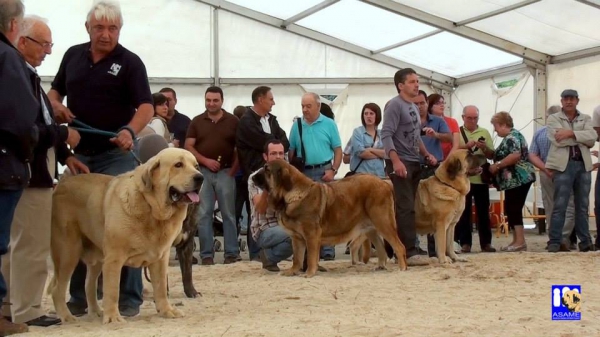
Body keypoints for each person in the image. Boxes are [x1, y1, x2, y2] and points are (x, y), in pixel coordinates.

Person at [47, 0, 154, 317]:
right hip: (79, 156)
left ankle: (129, 298)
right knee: (78, 226)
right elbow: (54, 92)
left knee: (128, 225)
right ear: (87, 29)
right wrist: (54, 106)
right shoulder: (72, 55)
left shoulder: (131, 62)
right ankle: (79, 297)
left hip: (116, 156)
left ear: (120, 30)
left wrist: (130, 131)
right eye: (99, 28)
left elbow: (146, 106)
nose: (105, 34)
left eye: (112, 28)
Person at [0, 15, 88, 328]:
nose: (48, 51)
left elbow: (42, 123)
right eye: (44, 44)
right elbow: (30, 128)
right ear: (22, 41)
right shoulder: (18, 77)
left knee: (14, 243)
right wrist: (64, 136)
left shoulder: (28, 76)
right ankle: (29, 309)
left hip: (25, 169)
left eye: (50, 44)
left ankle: (11, 306)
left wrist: (65, 155)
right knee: (32, 244)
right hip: (30, 172)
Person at [0, 0, 40, 334]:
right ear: (15, 27)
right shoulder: (8, 58)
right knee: (5, 243)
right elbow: (22, 119)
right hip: (6, 165)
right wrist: (29, 149)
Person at [381, 68, 437, 266]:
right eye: (412, 81)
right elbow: (386, 135)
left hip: (414, 160)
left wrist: (426, 154)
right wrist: (395, 161)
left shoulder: (413, 106)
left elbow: (415, 136)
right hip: (400, 161)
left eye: (417, 81)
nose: (416, 85)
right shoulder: (394, 106)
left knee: (409, 206)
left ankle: (398, 249)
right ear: (401, 85)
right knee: (405, 207)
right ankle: (409, 252)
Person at [185, 86, 240, 265]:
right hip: (202, 172)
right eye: (208, 100)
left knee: (229, 214)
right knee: (203, 213)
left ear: (222, 101)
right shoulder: (196, 121)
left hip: (226, 172)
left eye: (215, 100)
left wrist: (232, 170)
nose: (211, 103)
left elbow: (239, 148)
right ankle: (206, 254)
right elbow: (188, 146)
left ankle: (231, 253)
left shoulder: (233, 121)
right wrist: (205, 161)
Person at [236, 86, 290, 261]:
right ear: (260, 100)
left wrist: (274, 142)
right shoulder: (246, 121)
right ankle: (255, 256)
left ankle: (271, 256)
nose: (273, 102)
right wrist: (273, 141)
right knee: (256, 214)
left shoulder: (271, 119)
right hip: (256, 173)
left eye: (280, 154)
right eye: (271, 99)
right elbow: (264, 142)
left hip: (275, 175)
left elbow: (284, 142)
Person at [289, 92, 342, 261]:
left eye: (308, 106)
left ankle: (327, 251)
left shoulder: (329, 124)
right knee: (305, 215)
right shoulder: (296, 126)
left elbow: (338, 150)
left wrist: (333, 170)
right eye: (303, 106)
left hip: (324, 171)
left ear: (318, 106)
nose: (305, 109)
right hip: (303, 175)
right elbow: (291, 152)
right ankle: (309, 254)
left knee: (327, 212)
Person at [545, 90, 596, 253]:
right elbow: (556, 139)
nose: (569, 101)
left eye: (572, 99)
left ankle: (585, 241)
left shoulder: (586, 118)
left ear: (577, 101)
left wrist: (570, 133)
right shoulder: (553, 118)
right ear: (561, 101)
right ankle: (554, 241)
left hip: (583, 165)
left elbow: (592, 137)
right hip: (563, 166)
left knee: (582, 205)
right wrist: (581, 138)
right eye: (566, 99)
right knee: (560, 204)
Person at [528, 105, 577, 251]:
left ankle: (553, 238)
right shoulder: (566, 133)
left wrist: (544, 168)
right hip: (565, 171)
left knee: (550, 206)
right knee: (569, 205)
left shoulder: (539, 133)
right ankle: (562, 237)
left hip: (546, 173)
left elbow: (532, 154)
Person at [488, 112, 536, 252]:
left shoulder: (512, 137)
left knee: (514, 208)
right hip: (515, 180)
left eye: (496, 126)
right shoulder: (512, 136)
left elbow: (515, 155)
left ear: (503, 125)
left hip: (519, 179)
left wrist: (497, 166)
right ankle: (516, 241)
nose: (495, 130)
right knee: (511, 208)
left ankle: (520, 241)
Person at [455, 105, 496, 253]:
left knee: (483, 212)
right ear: (463, 117)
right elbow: (454, 153)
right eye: (469, 118)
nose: (472, 121)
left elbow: (492, 155)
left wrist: (484, 148)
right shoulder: (457, 132)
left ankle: (486, 243)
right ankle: (465, 243)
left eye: (475, 118)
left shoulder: (484, 132)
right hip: (463, 179)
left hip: (480, 179)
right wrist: (466, 146)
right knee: (463, 212)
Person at [414, 90, 451, 256]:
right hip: (415, 167)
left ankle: (435, 251)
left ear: (427, 103)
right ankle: (413, 248)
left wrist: (435, 134)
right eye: (416, 103)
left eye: (422, 103)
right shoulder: (408, 122)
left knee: (436, 209)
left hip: (434, 169)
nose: (420, 106)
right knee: (413, 207)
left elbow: (449, 138)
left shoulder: (437, 120)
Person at [248, 140, 293, 271]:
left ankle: (306, 263)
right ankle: (269, 256)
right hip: (264, 229)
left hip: (285, 223)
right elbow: (260, 208)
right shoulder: (256, 177)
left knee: (308, 228)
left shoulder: (289, 175)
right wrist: (269, 187)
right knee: (295, 234)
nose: (278, 157)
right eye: (273, 153)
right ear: (265, 157)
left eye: (281, 153)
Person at [350, 103, 386, 178]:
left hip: (379, 175)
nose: (368, 116)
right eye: (365, 114)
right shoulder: (358, 132)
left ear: (377, 115)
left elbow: (387, 154)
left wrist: (370, 149)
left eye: (371, 113)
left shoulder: (382, 133)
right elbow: (362, 153)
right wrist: (380, 154)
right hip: (362, 176)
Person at [427, 93, 459, 159]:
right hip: (430, 158)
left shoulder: (452, 121)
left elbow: (456, 145)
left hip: (448, 159)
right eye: (438, 103)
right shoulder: (425, 121)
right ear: (430, 106)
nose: (442, 105)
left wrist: (446, 162)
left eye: (443, 103)